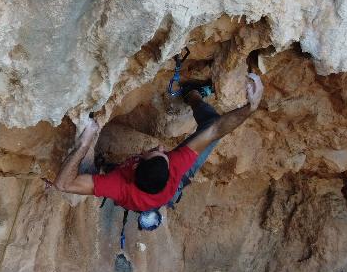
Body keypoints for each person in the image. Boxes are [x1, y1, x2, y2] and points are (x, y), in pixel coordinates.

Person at [52, 73, 265, 218]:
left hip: (141, 193)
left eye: (155, 152)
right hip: (175, 182)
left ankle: (102, 163)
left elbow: (63, 184)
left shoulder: (119, 187)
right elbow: (216, 130)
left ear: (135, 164)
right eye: (162, 154)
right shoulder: (175, 165)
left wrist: (84, 143)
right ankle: (192, 94)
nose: (162, 148)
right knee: (210, 123)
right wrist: (250, 108)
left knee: (80, 165)